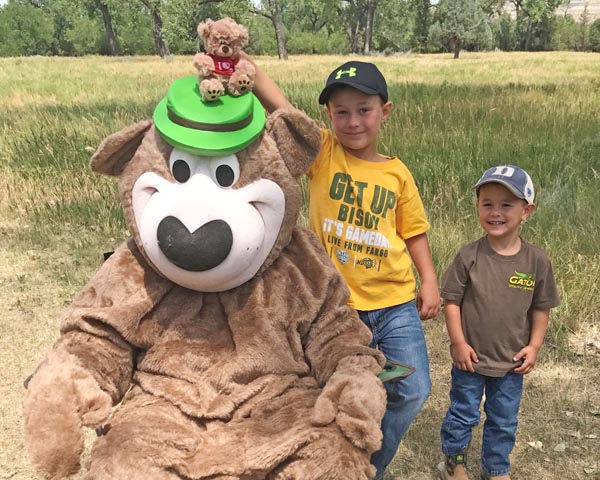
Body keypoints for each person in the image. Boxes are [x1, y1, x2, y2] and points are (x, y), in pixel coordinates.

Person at [245, 54, 440, 480]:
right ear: (328, 115)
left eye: (364, 110)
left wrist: (429, 281)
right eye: (341, 112)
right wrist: (250, 70)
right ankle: (327, 461)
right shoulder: (322, 153)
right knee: (326, 392)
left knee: (413, 388)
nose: (353, 121)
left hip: (395, 306)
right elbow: (282, 111)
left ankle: (366, 467)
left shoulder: (397, 174)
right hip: (337, 309)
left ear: (384, 112)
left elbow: (414, 232)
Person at [437, 165, 560, 480]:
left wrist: (534, 346)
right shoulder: (468, 257)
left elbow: (541, 308)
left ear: (526, 211)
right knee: (463, 415)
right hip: (471, 359)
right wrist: (458, 343)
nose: (496, 212)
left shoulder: (536, 261)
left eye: (507, 204)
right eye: (487, 203)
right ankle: (454, 462)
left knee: (503, 420)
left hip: (510, 363)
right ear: (477, 207)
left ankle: (496, 468)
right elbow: (451, 301)